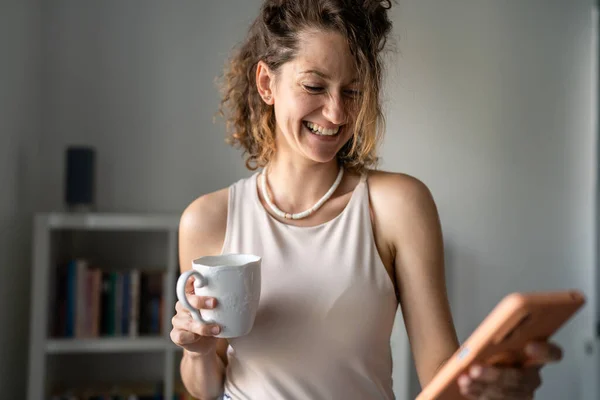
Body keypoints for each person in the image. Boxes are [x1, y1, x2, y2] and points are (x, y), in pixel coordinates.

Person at [170, 1, 564, 399]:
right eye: (314, 86)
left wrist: (491, 385)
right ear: (266, 84)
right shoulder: (206, 220)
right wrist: (197, 352)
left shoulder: (399, 206)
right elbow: (207, 387)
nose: (337, 112)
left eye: (353, 91)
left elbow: (443, 378)